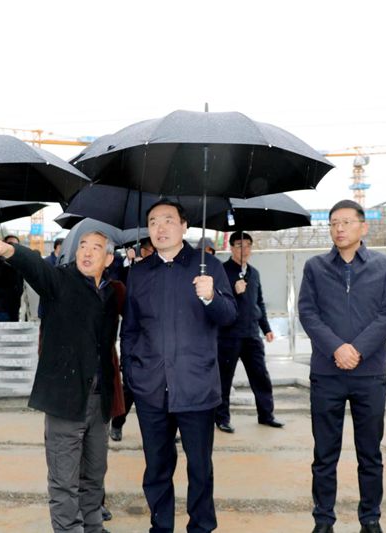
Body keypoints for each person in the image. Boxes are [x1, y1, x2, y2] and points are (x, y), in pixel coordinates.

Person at [0, 229, 123, 533]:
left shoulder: (112, 292)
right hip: (65, 399)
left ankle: (93, 526)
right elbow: (36, 267)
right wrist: (8, 251)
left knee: (94, 475)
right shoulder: (60, 281)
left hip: (99, 400)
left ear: (109, 258)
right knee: (64, 479)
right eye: (82, 246)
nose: (86, 252)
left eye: (96, 248)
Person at [121, 199, 237, 532]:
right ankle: (161, 526)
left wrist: (211, 297)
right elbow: (130, 329)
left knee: (200, 467)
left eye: (168, 220)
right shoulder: (139, 272)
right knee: (157, 467)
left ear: (184, 226)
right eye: (153, 222)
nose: (160, 228)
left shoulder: (208, 266)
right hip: (151, 388)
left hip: (195, 385)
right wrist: (132, 374)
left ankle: (200, 527)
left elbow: (229, 316)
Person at [298, 200, 386, 533]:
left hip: (369, 374)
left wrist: (357, 349)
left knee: (369, 453)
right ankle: (323, 519)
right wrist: (336, 348)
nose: (339, 229)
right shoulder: (315, 267)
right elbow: (308, 313)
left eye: (345, 222)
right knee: (324, 454)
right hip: (327, 373)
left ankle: (370, 518)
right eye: (333, 223)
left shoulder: (384, 266)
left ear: (363, 226)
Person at [215, 231, 284, 433]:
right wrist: (233, 291)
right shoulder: (222, 271)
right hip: (228, 335)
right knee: (224, 379)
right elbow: (217, 302)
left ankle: (266, 415)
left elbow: (258, 302)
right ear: (231, 248)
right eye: (239, 245)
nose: (244, 249)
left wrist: (266, 328)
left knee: (260, 376)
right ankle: (222, 418)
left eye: (248, 245)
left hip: (252, 334)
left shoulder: (254, 273)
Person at [110, 237, 155, 441]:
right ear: (142, 251)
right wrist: (128, 264)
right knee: (130, 389)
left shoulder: (162, 270)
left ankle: (165, 431)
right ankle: (117, 423)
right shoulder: (129, 269)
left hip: (156, 337)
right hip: (136, 337)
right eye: (150, 251)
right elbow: (116, 286)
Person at [0, 234, 24, 321]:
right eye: (10, 244)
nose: (13, 246)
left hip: (15, 305)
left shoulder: (19, 261)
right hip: (1, 306)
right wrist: (6, 262)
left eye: (16, 245)